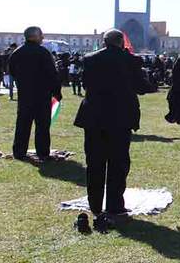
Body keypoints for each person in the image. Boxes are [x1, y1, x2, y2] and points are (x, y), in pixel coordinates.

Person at [73, 29, 151, 231]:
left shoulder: (90, 59)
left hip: (94, 117)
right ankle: (115, 206)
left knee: (94, 162)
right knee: (118, 163)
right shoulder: (131, 60)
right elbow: (142, 87)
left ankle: (95, 205)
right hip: (120, 117)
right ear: (121, 42)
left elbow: (85, 83)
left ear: (104, 42)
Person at [9, 27, 62, 160]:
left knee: (22, 124)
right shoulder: (43, 52)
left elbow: (12, 71)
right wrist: (57, 92)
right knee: (42, 125)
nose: (42, 37)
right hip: (42, 95)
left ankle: (19, 151)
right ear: (34, 36)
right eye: (41, 35)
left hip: (25, 94)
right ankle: (42, 152)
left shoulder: (17, 52)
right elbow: (52, 74)